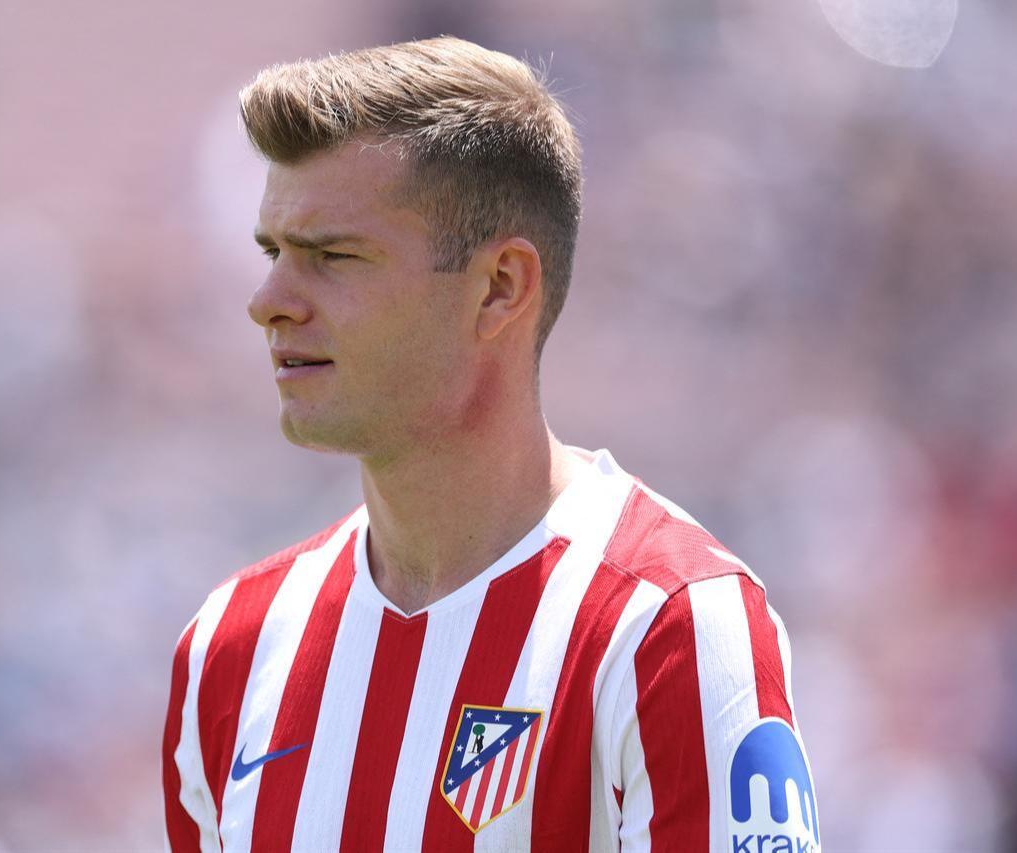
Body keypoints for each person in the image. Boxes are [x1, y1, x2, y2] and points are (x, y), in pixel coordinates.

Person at [161, 36, 819, 853]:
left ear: (501, 287)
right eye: (273, 253)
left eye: (333, 256)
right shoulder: (232, 647)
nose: (269, 301)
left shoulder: (671, 623)